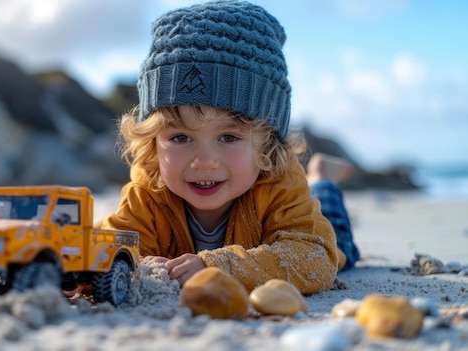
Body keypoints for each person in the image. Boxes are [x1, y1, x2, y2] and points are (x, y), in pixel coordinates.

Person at [100, 0, 359, 295]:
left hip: (312, 229)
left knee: (342, 247)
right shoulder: (147, 192)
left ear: (268, 142)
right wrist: (138, 264)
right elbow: (109, 245)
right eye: (181, 138)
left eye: (228, 137)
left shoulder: (279, 183)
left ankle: (323, 180)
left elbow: (315, 257)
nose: (204, 162)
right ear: (153, 142)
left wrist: (220, 267)